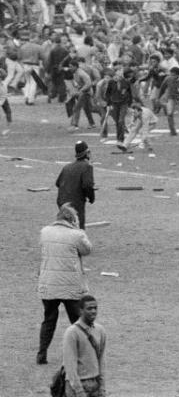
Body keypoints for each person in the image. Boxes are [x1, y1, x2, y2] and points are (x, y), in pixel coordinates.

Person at [37, 204, 92, 366]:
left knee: (48, 320)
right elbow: (87, 250)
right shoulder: (76, 234)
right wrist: (80, 231)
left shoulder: (45, 232)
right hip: (70, 286)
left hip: (49, 283)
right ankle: (83, 355)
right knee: (77, 322)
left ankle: (41, 354)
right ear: (72, 219)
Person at [62, 294, 106, 397]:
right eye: (89, 308)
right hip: (78, 385)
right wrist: (79, 391)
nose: (93, 311)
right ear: (80, 311)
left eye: (95, 308)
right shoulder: (72, 332)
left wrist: (102, 387)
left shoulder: (100, 330)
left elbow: (102, 360)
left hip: (95, 383)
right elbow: (70, 365)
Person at [56, 142, 96, 229]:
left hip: (61, 201)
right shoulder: (87, 166)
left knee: (65, 226)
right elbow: (87, 185)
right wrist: (91, 197)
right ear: (87, 153)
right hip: (75, 202)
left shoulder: (67, 167)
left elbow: (58, 183)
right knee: (78, 228)